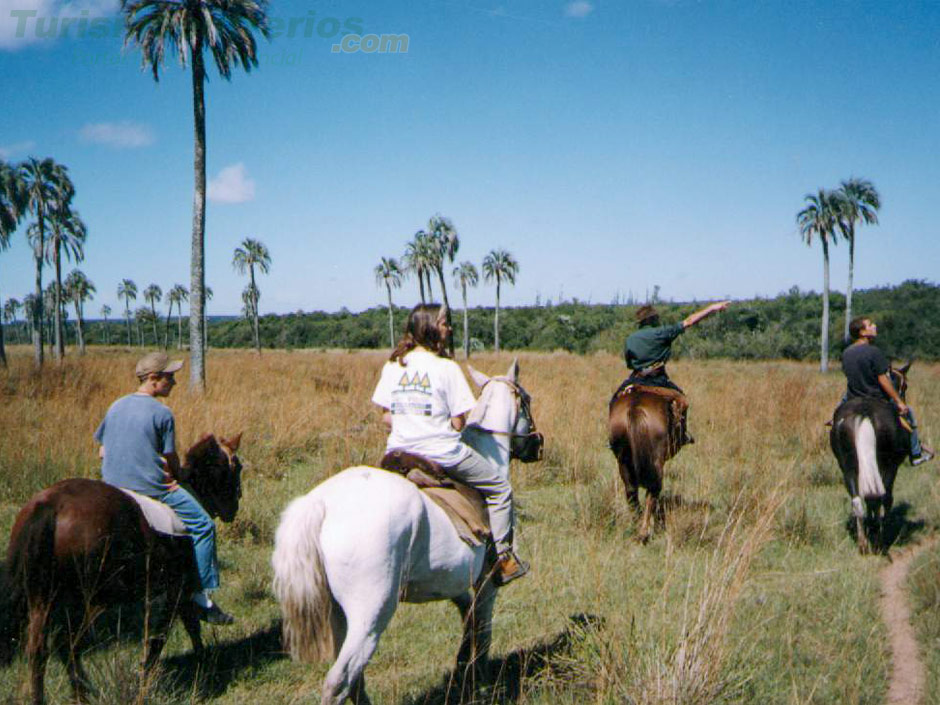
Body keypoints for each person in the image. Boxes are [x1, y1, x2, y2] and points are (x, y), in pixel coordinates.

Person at [371, 303, 528, 586]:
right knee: (500, 488)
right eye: (444, 323)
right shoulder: (446, 367)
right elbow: (458, 423)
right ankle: (504, 558)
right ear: (431, 327)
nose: (449, 328)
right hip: (442, 453)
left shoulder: (392, 365)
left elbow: (385, 418)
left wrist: (411, 422)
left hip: (396, 454)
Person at [94, 351, 234, 624]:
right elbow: (170, 458)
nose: (174, 383)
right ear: (153, 379)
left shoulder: (116, 405)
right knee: (205, 526)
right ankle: (200, 594)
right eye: (170, 377)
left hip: (111, 483)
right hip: (151, 487)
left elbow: (102, 451)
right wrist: (178, 472)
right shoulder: (163, 413)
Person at [621, 300, 730, 442]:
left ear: (640, 322)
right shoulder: (662, 332)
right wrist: (712, 308)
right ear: (654, 319)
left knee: (615, 400)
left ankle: (614, 439)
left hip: (636, 379)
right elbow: (689, 321)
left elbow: (629, 363)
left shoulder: (630, 339)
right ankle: (681, 435)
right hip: (658, 379)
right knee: (682, 401)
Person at [840, 316, 933, 466]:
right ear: (862, 332)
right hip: (875, 398)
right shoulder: (874, 352)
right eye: (870, 325)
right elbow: (883, 380)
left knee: (839, 412)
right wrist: (898, 402)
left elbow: (850, 376)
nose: (874, 326)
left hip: (852, 397)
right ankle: (916, 454)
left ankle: (834, 421)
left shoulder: (846, 353)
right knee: (910, 414)